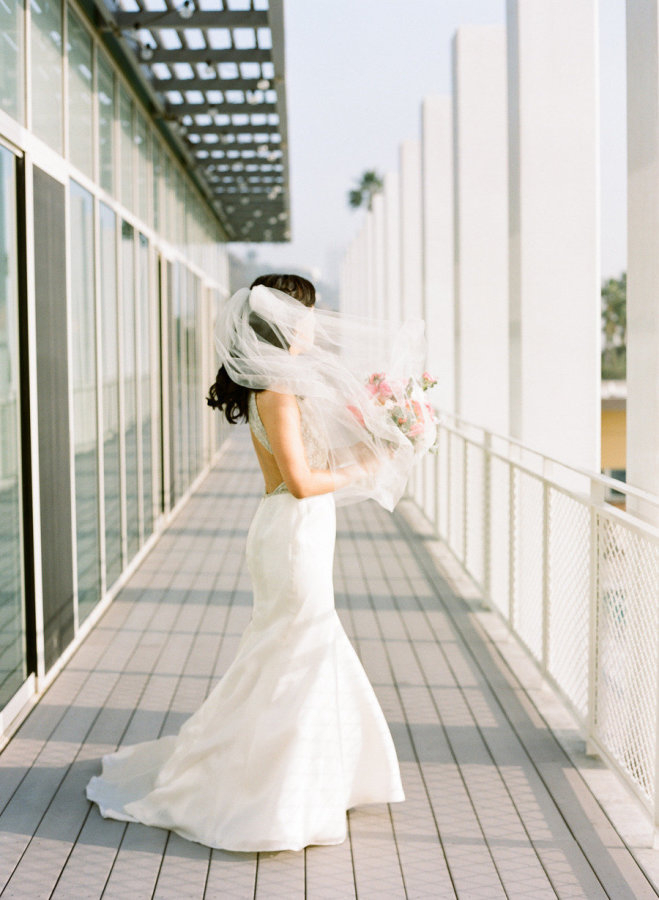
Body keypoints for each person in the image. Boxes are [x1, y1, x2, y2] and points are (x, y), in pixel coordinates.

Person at [85, 273, 407, 853]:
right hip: (293, 533)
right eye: (307, 313)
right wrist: (367, 467)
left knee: (292, 648)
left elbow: (305, 465)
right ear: (286, 323)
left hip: (296, 531)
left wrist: (376, 444)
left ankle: (309, 779)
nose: (315, 322)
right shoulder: (278, 392)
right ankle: (268, 790)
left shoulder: (282, 386)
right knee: (294, 649)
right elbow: (303, 482)